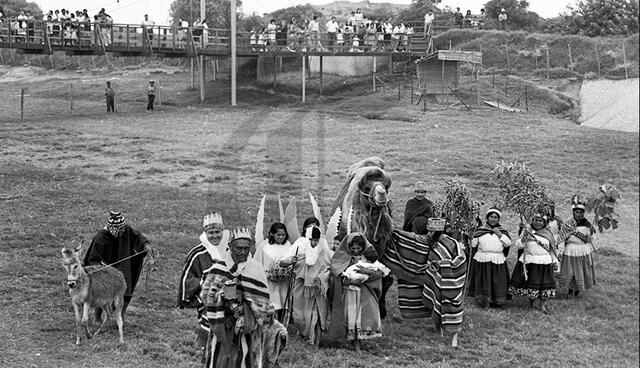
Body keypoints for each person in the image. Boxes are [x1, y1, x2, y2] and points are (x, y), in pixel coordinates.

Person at [201, 228, 273, 367]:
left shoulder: (256, 269)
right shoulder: (219, 268)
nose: (243, 252)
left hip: (248, 327)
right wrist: (223, 299)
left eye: (247, 248)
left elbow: (262, 300)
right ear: (230, 247)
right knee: (220, 360)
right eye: (239, 248)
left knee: (246, 361)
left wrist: (246, 311)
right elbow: (207, 296)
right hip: (223, 324)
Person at [177, 213, 230, 354]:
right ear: (205, 233)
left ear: (222, 231)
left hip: (230, 298)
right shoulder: (197, 254)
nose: (214, 236)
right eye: (210, 233)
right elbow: (187, 279)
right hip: (207, 300)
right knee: (209, 328)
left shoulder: (231, 251)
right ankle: (207, 352)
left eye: (217, 232)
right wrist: (205, 283)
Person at [83, 211, 150, 317]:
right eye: (120, 230)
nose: (122, 232)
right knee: (102, 291)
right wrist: (102, 269)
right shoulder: (101, 237)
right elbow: (93, 258)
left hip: (122, 266)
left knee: (126, 285)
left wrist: (146, 245)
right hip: (105, 269)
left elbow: (138, 237)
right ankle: (97, 317)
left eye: (123, 229)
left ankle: (121, 315)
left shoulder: (126, 230)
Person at [328, 234, 385, 352]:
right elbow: (337, 274)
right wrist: (349, 280)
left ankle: (359, 339)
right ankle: (355, 344)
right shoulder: (341, 257)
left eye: (358, 249)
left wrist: (366, 272)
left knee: (363, 318)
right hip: (350, 294)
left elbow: (380, 272)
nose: (355, 251)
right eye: (353, 249)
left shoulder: (369, 258)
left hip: (365, 294)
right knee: (352, 318)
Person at [279, 225, 331, 346]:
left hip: (317, 290)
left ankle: (316, 343)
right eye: (311, 240)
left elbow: (329, 264)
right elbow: (282, 262)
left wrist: (322, 277)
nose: (314, 243)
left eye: (316, 240)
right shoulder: (299, 245)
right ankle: (304, 333)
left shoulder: (323, 247)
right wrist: (291, 261)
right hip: (301, 288)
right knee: (299, 316)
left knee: (316, 315)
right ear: (307, 238)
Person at [509, 213, 559, 314]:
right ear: (532, 221)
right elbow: (518, 245)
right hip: (530, 261)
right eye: (536, 220)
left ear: (544, 222)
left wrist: (554, 261)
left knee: (545, 285)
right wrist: (523, 239)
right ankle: (532, 303)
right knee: (531, 284)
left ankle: (542, 305)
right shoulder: (527, 231)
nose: (538, 223)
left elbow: (552, 250)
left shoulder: (548, 234)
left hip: (544, 262)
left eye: (540, 221)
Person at [468, 207, 512, 308]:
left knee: (497, 280)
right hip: (483, 258)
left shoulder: (502, 231)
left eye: (495, 217)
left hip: (497, 259)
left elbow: (507, 244)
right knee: (484, 281)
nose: (493, 219)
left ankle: (497, 301)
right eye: (491, 217)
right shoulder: (480, 231)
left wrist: (499, 234)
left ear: (498, 219)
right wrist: (471, 236)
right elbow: (473, 245)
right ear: (487, 218)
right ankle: (484, 301)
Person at [557, 198, 597, 298]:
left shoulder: (587, 225)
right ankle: (570, 290)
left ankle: (578, 290)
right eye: (576, 212)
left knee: (580, 270)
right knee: (570, 271)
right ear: (573, 212)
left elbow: (591, 239)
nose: (578, 214)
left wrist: (591, 233)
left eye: (580, 212)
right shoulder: (568, 224)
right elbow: (562, 237)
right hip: (570, 250)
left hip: (582, 250)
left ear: (583, 213)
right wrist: (560, 250)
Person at [254, 222, 292, 321]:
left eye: (283, 235)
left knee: (283, 303)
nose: (281, 237)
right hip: (269, 281)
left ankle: (282, 325)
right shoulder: (264, 245)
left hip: (284, 281)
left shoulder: (288, 245)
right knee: (273, 304)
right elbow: (257, 262)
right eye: (278, 235)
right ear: (272, 234)